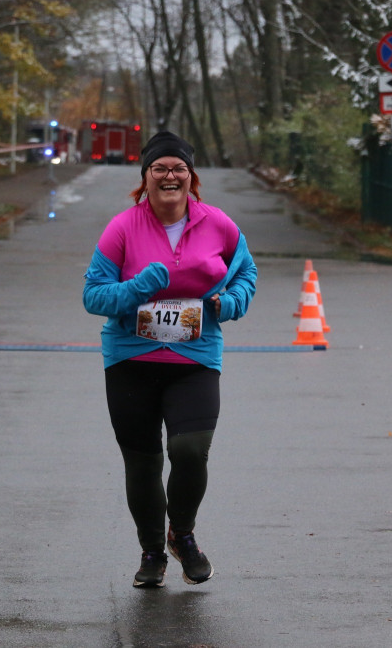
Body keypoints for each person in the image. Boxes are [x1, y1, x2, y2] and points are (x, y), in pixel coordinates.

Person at [83, 131, 257, 586]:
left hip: (195, 357)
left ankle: (182, 535)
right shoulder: (122, 228)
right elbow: (93, 295)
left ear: (191, 177)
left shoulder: (219, 225)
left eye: (178, 167)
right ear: (145, 177)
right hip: (130, 359)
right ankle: (152, 552)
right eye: (159, 167)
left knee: (190, 450)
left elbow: (246, 275)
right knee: (142, 463)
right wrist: (140, 286)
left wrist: (229, 303)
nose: (169, 175)